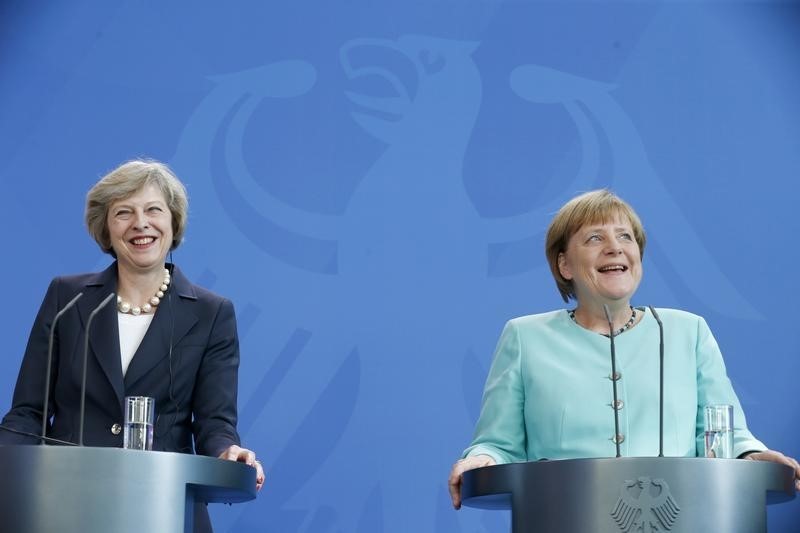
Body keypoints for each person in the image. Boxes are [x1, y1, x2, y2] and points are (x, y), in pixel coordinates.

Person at [448, 189, 800, 509]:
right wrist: (482, 459)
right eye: (594, 238)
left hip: (680, 518)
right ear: (564, 264)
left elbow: (726, 432)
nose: (615, 248)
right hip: (562, 517)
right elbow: (499, 442)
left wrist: (750, 454)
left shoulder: (689, 331)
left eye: (625, 237)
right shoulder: (524, 337)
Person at [0, 159, 265, 530]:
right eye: (124, 213)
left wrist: (228, 452)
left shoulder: (211, 313)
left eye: (153, 210)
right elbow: (27, 414)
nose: (140, 223)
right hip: (65, 506)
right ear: (107, 231)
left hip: (165, 509)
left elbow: (214, 422)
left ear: (173, 223)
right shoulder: (68, 300)